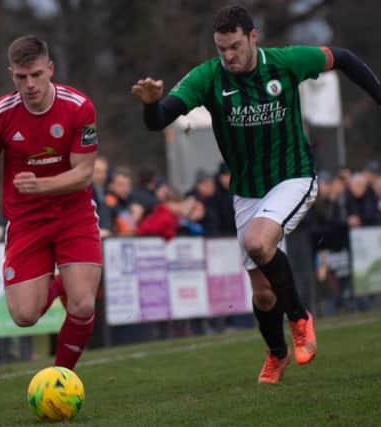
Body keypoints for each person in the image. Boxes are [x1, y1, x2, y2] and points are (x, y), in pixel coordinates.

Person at [132, 5, 381, 384]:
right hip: (248, 192)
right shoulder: (208, 77)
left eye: (234, 46)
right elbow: (160, 120)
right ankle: (277, 353)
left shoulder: (286, 62)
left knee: (258, 242)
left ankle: (299, 317)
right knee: (264, 296)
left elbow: (343, 58)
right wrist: (150, 104)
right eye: (221, 49)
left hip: (294, 176)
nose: (228, 56)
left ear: (252, 37)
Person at [0, 35, 102, 370]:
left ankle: (61, 377)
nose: (29, 84)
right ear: (11, 74)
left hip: (74, 214)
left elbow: (84, 174)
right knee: (24, 316)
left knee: (83, 304)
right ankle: (62, 281)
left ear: (50, 69)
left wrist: (41, 185)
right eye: (20, 77)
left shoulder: (79, 107)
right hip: (27, 220)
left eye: (36, 75)